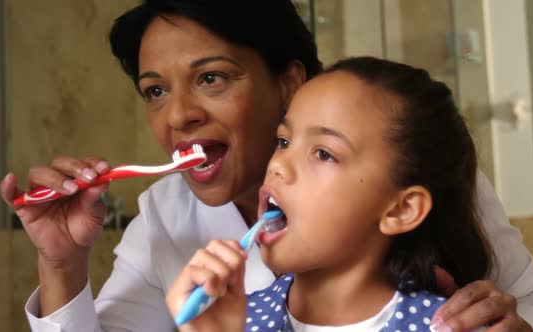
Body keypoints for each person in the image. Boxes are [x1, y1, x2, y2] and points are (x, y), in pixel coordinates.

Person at [0, 1, 533, 331]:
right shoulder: (164, 218)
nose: (177, 116)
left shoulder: (419, 175)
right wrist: (62, 266)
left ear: (289, 81)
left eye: (211, 78)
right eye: (154, 90)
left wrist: (517, 325)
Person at [166, 56, 496, 332]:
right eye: (283, 142)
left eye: (323, 153)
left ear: (401, 209)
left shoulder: (447, 326)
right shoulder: (231, 321)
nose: (279, 164)